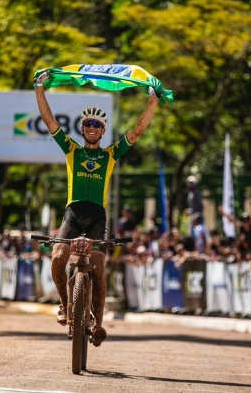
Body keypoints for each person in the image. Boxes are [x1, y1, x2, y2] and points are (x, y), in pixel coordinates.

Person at [33, 69, 160, 347]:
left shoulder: (110, 154)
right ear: (82, 128)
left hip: (97, 217)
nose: (92, 128)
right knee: (57, 258)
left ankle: (99, 326)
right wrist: (39, 89)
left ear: (103, 130)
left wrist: (152, 100)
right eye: (87, 123)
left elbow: (137, 132)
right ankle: (66, 306)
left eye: (97, 124)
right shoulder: (71, 150)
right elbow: (48, 120)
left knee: (99, 272)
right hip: (73, 215)